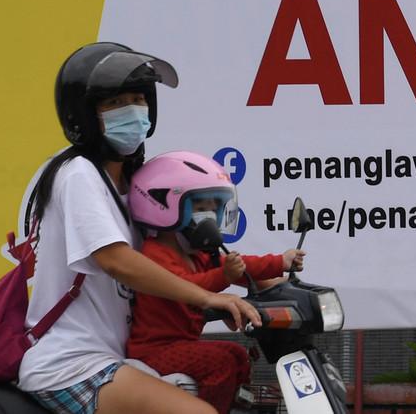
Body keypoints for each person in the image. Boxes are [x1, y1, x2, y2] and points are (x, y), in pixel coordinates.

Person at [17, 43, 261, 414]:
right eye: (114, 103)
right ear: (84, 114)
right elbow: (117, 261)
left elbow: (174, 261)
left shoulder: (132, 189)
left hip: (115, 360)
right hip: (71, 365)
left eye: (138, 99)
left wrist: (260, 278)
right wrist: (208, 298)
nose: (132, 111)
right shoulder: (79, 174)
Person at [126, 151, 305, 414]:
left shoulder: (198, 254)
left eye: (214, 207)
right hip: (154, 351)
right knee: (220, 362)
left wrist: (281, 261)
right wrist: (224, 277)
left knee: (238, 356)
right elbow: (186, 287)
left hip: (181, 344)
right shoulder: (155, 254)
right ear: (164, 206)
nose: (209, 215)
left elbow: (242, 264)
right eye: (200, 208)